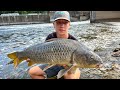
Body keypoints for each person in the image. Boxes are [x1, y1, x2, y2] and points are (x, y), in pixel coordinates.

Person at [28, 11, 81, 79]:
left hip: (69, 66)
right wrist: (33, 58)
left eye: (65, 22)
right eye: (59, 22)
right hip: (53, 64)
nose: (62, 25)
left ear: (69, 24)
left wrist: (66, 66)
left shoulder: (74, 42)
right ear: (54, 24)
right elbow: (45, 57)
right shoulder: (50, 37)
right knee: (32, 72)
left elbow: (74, 66)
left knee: (70, 77)